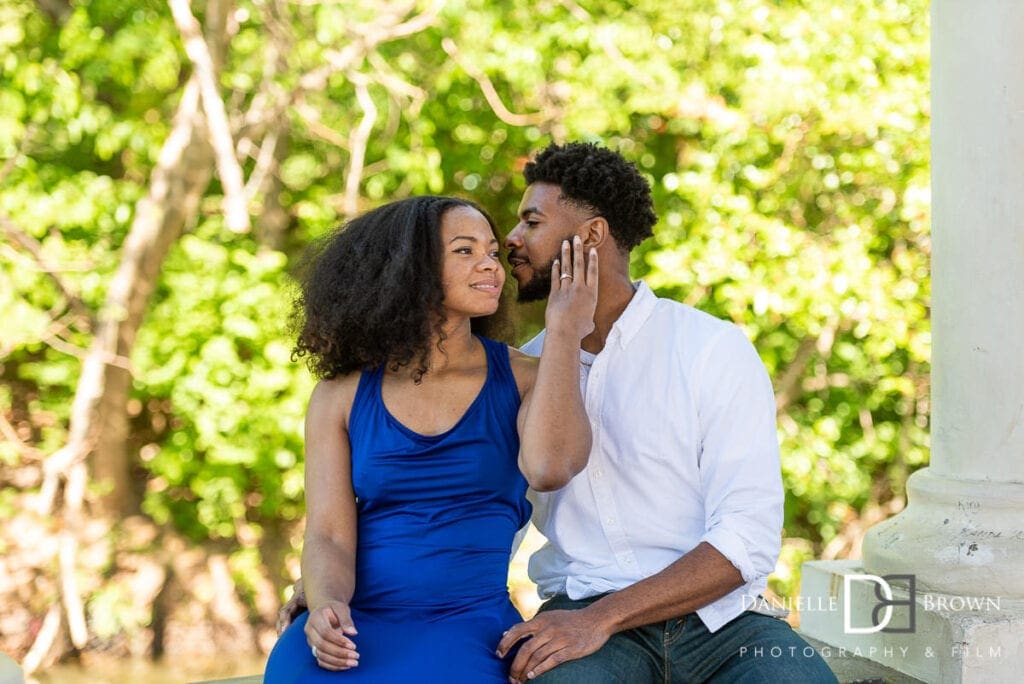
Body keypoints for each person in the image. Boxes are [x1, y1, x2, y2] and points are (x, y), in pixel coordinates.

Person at [280, 144, 837, 683]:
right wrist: (330, 586)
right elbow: (488, 499)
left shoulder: (708, 347)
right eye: (482, 245)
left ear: (591, 235)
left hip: (721, 619)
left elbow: (748, 536)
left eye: (529, 224)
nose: (511, 243)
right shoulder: (529, 367)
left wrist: (599, 619)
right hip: (579, 616)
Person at [263, 195, 598, 683]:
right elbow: (329, 535)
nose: (491, 265)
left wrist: (565, 331)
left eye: (491, 252)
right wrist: (326, 607)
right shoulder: (340, 394)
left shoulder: (527, 377)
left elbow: (550, 468)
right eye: (465, 251)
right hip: (356, 626)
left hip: (469, 628)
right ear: (409, 271)